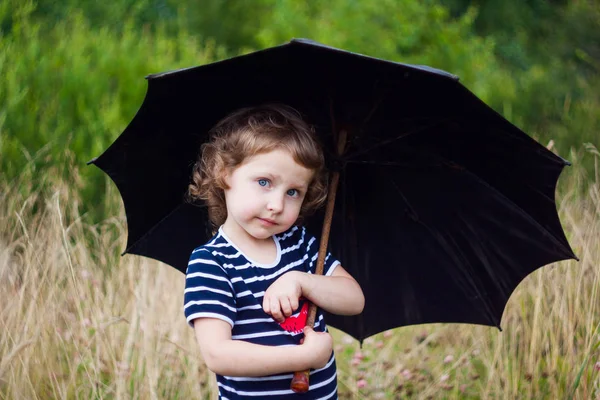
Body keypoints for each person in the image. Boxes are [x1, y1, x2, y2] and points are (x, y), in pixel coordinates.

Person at [183, 104, 365, 399]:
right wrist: (305, 359)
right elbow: (219, 355)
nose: (277, 205)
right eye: (264, 182)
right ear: (224, 173)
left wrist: (301, 280)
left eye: (293, 192)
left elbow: (354, 299)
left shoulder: (300, 244)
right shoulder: (212, 263)